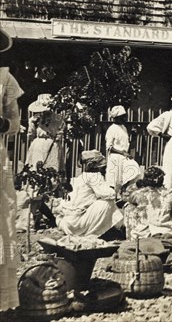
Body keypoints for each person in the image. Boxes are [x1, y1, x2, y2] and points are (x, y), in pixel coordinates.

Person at [0, 31, 24, 312]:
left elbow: (15, 122)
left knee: (2, 222)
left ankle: (3, 305)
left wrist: (3, 125)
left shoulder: (5, 78)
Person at [55, 150, 123, 238]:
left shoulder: (80, 177)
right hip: (77, 224)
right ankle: (93, 233)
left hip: (68, 222)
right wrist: (114, 188)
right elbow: (110, 194)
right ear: (95, 166)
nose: (105, 170)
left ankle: (110, 229)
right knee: (108, 202)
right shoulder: (94, 176)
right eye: (103, 167)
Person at [123, 166, 172, 239]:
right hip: (166, 230)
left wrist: (137, 185)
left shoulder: (138, 194)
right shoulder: (169, 195)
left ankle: (132, 235)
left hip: (144, 232)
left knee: (129, 206)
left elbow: (125, 195)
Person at [106, 105, 138, 195]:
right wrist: (122, 153)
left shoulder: (123, 127)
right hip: (115, 158)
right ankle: (113, 198)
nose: (124, 118)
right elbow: (109, 147)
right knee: (113, 179)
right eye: (122, 117)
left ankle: (123, 193)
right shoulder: (111, 129)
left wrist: (134, 136)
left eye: (124, 116)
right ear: (116, 118)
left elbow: (126, 143)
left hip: (124, 157)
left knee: (133, 170)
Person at [26, 94, 63, 171]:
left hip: (40, 143)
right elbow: (60, 133)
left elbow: (31, 134)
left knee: (38, 167)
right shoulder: (58, 118)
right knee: (51, 167)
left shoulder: (35, 119)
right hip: (51, 142)